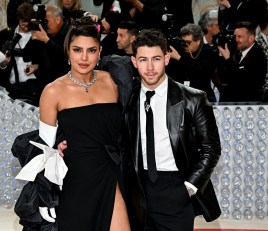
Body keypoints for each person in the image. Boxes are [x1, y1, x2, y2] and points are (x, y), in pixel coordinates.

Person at [122, 29, 221, 231]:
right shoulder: (127, 99)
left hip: (175, 189)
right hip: (137, 191)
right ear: (134, 62)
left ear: (167, 58)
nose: (150, 67)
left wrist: (189, 187)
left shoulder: (193, 99)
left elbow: (211, 148)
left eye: (156, 59)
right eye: (143, 60)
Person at [38, 17, 131, 230]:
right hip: (75, 179)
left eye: (91, 50)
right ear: (67, 51)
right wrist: (45, 193)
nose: (84, 57)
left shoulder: (113, 81)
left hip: (111, 173)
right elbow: (44, 148)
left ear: (99, 52)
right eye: (77, 50)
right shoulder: (53, 91)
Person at [0, 2, 44, 105]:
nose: (26, 25)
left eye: (29, 21)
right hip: (10, 87)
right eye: (23, 21)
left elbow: (49, 62)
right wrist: (3, 64)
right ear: (18, 18)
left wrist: (38, 66)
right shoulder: (5, 34)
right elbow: (0, 64)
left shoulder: (40, 35)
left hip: (33, 88)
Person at [217, 21, 267, 101]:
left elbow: (242, 81)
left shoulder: (257, 56)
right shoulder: (237, 52)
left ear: (251, 38)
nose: (236, 40)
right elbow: (224, 77)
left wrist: (228, 59)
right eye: (235, 36)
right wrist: (221, 57)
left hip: (247, 105)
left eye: (240, 37)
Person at [169, 23, 218, 102]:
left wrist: (179, 58)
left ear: (198, 41)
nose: (185, 45)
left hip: (202, 97)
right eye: (183, 42)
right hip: (183, 97)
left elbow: (201, 72)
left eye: (188, 42)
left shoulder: (208, 51)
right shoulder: (182, 51)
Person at [31, 4, 70, 85]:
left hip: (64, 84)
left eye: (46, 21)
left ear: (58, 20)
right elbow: (28, 55)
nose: (45, 24)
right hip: (46, 82)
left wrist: (46, 40)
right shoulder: (47, 33)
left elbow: (67, 57)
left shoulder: (70, 33)